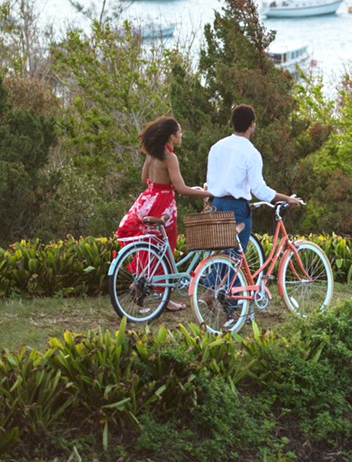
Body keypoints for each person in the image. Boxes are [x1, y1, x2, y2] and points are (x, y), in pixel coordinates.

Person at [116, 115, 213, 311]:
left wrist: (163, 183)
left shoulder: (152, 154)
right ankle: (164, 299)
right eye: (179, 132)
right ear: (172, 137)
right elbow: (181, 188)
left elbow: (145, 179)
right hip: (164, 205)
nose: (181, 135)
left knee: (149, 245)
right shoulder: (170, 157)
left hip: (146, 201)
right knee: (165, 247)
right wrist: (207, 192)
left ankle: (141, 284)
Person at [206, 104, 301, 254]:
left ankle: (208, 279)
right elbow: (260, 190)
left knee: (218, 258)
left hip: (216, 205)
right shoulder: (251, 153)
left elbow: (211, 181)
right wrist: (287, 198)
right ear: (252, 125)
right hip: (236, 208)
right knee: (234, 260)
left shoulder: (217, 147)